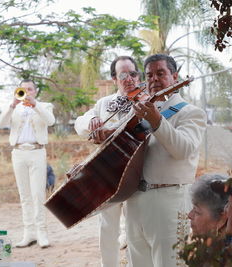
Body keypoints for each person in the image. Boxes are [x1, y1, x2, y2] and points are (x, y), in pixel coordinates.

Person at [124, 54, 207, 267]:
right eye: (149, 75)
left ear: (175, 76)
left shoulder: (190, 112)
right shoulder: (137, 113)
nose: (154, 79)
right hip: (135, 201)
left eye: (161, 73)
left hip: (169, 201)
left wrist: (157, 121)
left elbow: (183, 149)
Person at [75, 55, 141, 267]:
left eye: (133, 73)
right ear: (114, 78)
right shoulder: (104, 103)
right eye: (123, 74)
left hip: (137, 172)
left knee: (134, 228)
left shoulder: (147, 100)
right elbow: (80, 123)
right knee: (107, 227)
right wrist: (91, 120)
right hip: (107, 173)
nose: (129, 78)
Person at [0, 79, 55, 249]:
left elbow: (50, 121)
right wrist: (12, 105)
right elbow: (0, 123)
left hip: (37, 151)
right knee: (24, 195)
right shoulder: (15, 108)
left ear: (35, 91)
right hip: (18, 152)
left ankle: (41, 232)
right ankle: (28, 233)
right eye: (23, 89)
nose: (26, 92)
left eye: (30, 89)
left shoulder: (45, 105)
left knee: (38, 194)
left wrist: (35, 105)